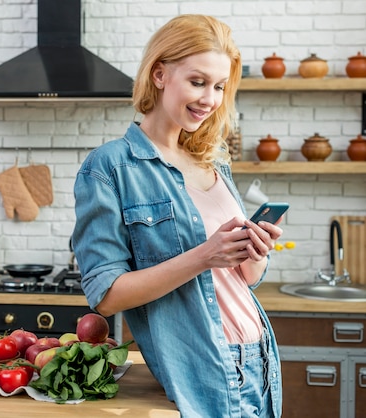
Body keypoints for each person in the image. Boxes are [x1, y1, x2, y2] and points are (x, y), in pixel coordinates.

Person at [72, 15, 283, 417]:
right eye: (198, 81)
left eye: (219, 86)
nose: (210, 98)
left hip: (261, 361)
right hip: (205, 369)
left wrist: (255, 249)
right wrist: (205, 255)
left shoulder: (214, 161)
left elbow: (246, 280)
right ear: (159, 74)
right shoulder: (110, 168)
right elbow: (105, 296)